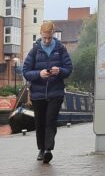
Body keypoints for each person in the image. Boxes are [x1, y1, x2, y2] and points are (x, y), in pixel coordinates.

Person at [22, 21, 73, 164]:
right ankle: (41, 149)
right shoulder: (34, 51)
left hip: (55, 93)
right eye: (44, 38)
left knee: (50, 120)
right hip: (38, 94)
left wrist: (60, 71)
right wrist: (39, 74)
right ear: (41, 35)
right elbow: (25, 72)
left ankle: (48, 150)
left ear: (53, 34)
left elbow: (69, 69)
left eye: (49, 38)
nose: (46, 41)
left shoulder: (60, 49)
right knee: (40, 122)